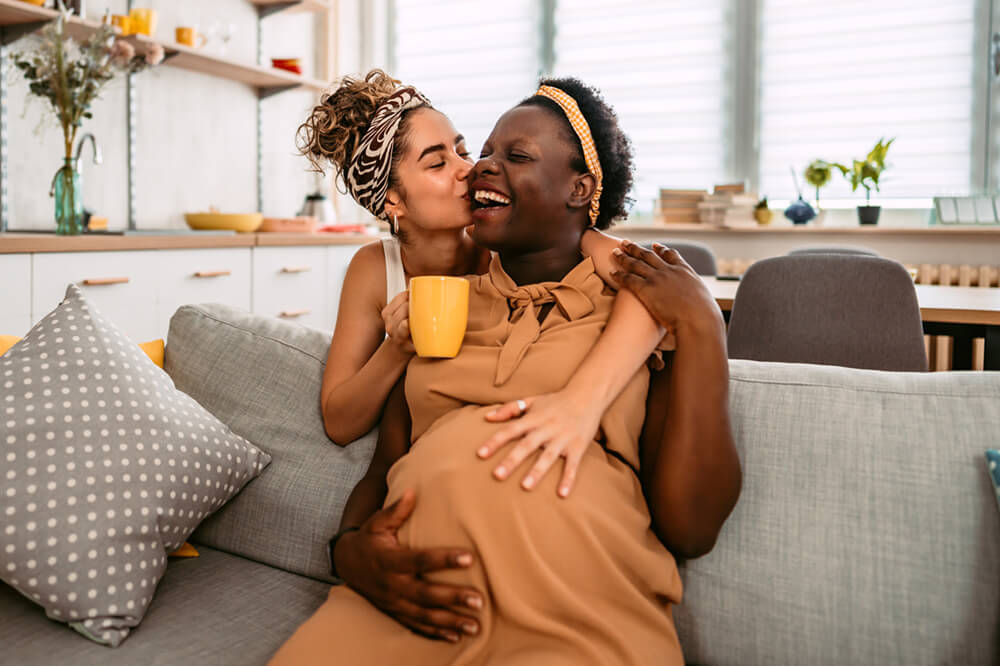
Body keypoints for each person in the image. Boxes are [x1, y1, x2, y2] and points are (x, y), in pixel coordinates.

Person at [270, 78, 741, 665]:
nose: (478, 169)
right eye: (480, 153)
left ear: (579, 188)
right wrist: (347, 552)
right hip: (410, 602)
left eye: (510, 156)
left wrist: (701, 323)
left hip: (566, 610)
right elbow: (383, 466)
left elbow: (692, 528)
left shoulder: (634, 310)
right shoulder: (435, 307)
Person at [298, 71, 667, 504]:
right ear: (392, 201)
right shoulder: (375, 268)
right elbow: (339, 422)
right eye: (437, 163)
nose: (468, 170)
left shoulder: (508, 245)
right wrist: (397, 347)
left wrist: (581, 400)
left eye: (462, 151)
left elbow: (654, 288)